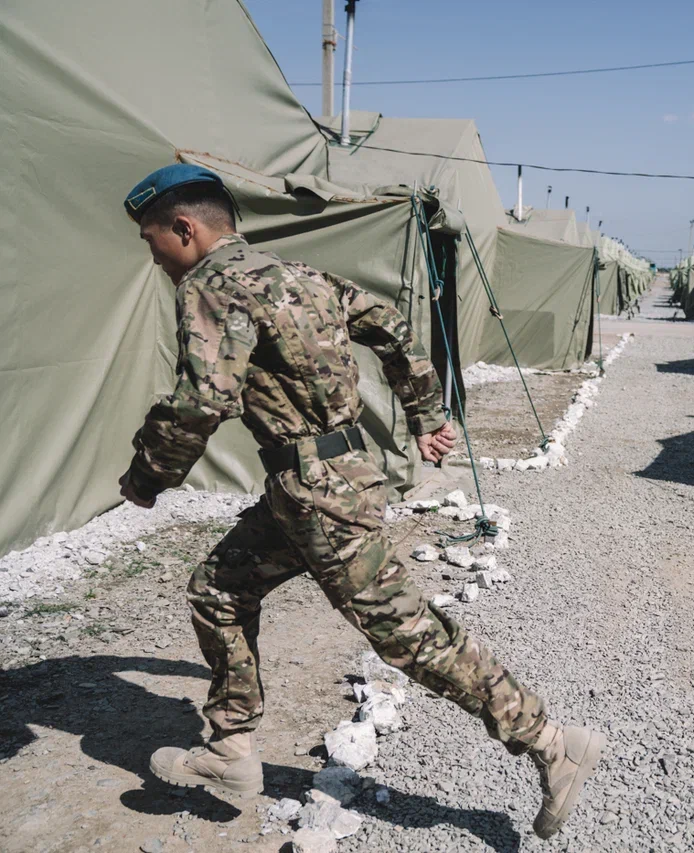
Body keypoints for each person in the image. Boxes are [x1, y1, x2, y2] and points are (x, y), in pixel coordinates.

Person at [119, 164, 602, 839]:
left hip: (318, 495)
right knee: (217, 589)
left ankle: (552, 743)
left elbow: (205, 399)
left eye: (152, 243)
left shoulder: (211, 285)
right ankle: (230, 747)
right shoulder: (303, 277)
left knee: (409, 636)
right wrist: (426, 411)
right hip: (319, 482)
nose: (155, 258)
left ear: (185, 228)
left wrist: (147, 475)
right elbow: (394, 328)